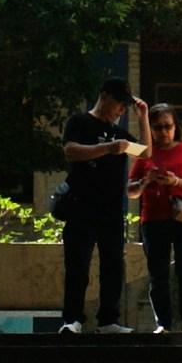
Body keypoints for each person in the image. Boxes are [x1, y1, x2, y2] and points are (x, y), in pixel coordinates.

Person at [53, 81, 138, 333]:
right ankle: (72, 320)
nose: (122, 109)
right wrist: (108, 149)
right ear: (104, 97)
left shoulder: (120, 133)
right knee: (78, 265)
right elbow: (71, 152)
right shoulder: (80, 122)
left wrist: (143, 117)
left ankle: (109, 320)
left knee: (113, 267)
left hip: (112, 209)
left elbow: (144, 153)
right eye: (120, 102)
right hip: (81, 206)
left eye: (126, 105)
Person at [133, 102, 182, 331]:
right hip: (154, 218)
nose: (164, 132)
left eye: (168, 126)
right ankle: (163, 323)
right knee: (158, 273)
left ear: (176, 127)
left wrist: (175, 181)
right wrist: (145, 181)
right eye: (157, 127)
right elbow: (131, 190)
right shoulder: (145, 154)